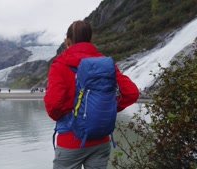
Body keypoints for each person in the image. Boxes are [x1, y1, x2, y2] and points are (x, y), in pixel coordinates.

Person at [44, 20, 139, 169]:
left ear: (67, 41)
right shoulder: (106, 64)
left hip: (70, 140)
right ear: (90, 39)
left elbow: (53, 106)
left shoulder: (60, 65)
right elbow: (131, 93)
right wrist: (106, 108)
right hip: (100, 140)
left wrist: (73, 115)